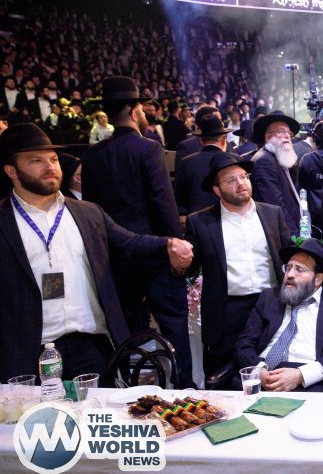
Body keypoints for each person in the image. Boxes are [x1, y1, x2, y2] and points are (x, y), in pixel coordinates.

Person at [0, 123, 193, 383]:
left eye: (53, 159)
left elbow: (129, 243)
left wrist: (168, 244)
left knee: (99, 408)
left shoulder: (87, 212)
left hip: (91, 347)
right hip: (29, 352)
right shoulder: (4, 221)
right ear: (11, 171)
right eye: (36, 160)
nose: (49, 167)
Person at [80, 76, 194, 386]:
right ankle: (183, 389)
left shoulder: (91, 155)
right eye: (142, 109)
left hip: (115, 258)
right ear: (134, 111)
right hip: (154, 253)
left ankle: (127, 394)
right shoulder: (148, 148)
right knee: (174, 327)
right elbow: (163, 203)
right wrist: (177, 246)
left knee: (125, 333)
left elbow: (92, 212)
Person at [181, 152, 291, 379]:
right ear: (217, 190)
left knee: (273, 372)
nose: (240, 183)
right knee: (224, 377)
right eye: (231, 180)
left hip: (269, 305)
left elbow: (288, 258)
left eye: (243, 177)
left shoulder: (272, 214)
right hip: (226, 311)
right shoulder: (201, 222)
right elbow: (189, 268)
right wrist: (178, 259)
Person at [236, 238, 323, 392]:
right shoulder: (269, 298)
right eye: (288, 267)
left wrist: (301, 375)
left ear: (318, 279)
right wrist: (259, 371)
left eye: (299, 269)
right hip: (261, 376)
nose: (290, 274)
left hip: (309, 382)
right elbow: (244, 344)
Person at [251, 110, 302, 236]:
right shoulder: (264, 161)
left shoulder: (280, 157)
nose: (287, 136)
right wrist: (294, 237)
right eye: (281, 131)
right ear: (267, 137)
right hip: (278, 234)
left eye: (289, 132)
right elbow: (275, 205)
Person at [174, 115, 229, 226]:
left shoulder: (186, 162)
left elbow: (179, 193)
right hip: (228, 220)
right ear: (224, 140)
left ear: (201, 141)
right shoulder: (234, 161)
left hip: (195, 222)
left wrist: (182, 213)